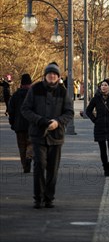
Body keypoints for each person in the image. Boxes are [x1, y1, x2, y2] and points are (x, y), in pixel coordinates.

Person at [20, 62, 74, 208]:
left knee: (52, 168)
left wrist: (58, 121)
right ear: (45, 76)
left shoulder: (63, 92)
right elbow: (25, 109)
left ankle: (49, 197)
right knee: (39, 165)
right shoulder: (35, 89)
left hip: (56, 135)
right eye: (49, 74)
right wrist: (41, 121)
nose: (52, 76)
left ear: (58, 77)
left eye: (55, 74)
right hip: (38, 134)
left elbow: (69, 112)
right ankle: (38, 197)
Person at [85, 79, 109, 176]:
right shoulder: (96, 98)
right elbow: (88, 111)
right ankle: (106, 168)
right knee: (102, 149)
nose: (103, 87)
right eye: (102, 85)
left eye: (105, 85)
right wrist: (95, 120)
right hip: (100, 127)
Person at [7, 74, 33, 173]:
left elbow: (11, 111)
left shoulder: (15, 95)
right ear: (30, 84)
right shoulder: (33, 95)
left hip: (19, 126)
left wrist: (12, 123)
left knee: (22, 146)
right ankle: (29, 156)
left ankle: (25, 166)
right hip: (31, 125)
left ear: (21, 84)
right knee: (31, 143)